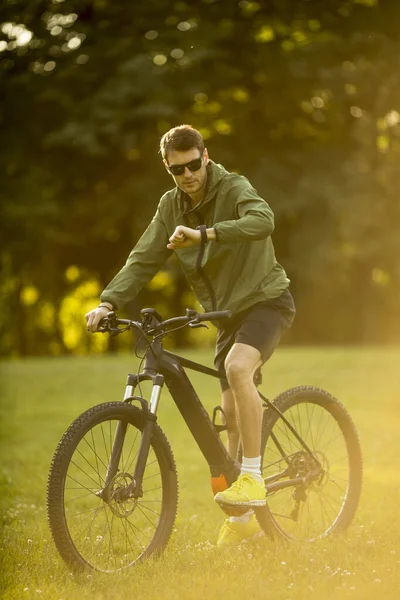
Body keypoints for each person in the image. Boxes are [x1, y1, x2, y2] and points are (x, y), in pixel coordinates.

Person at [86, 124, 295, 547]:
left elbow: (264, 220)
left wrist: (206, 233)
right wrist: (108, 303)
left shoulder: (234, 187)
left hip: (266, 300)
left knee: (239, 368)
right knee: (231, 418)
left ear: (205, 155)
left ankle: (253, 479)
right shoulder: (171, 206)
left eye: (194, 164)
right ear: (168, 168)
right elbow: (143, 257)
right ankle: (243, 521)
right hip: (225, 316)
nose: (188, 176)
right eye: (177, 169)